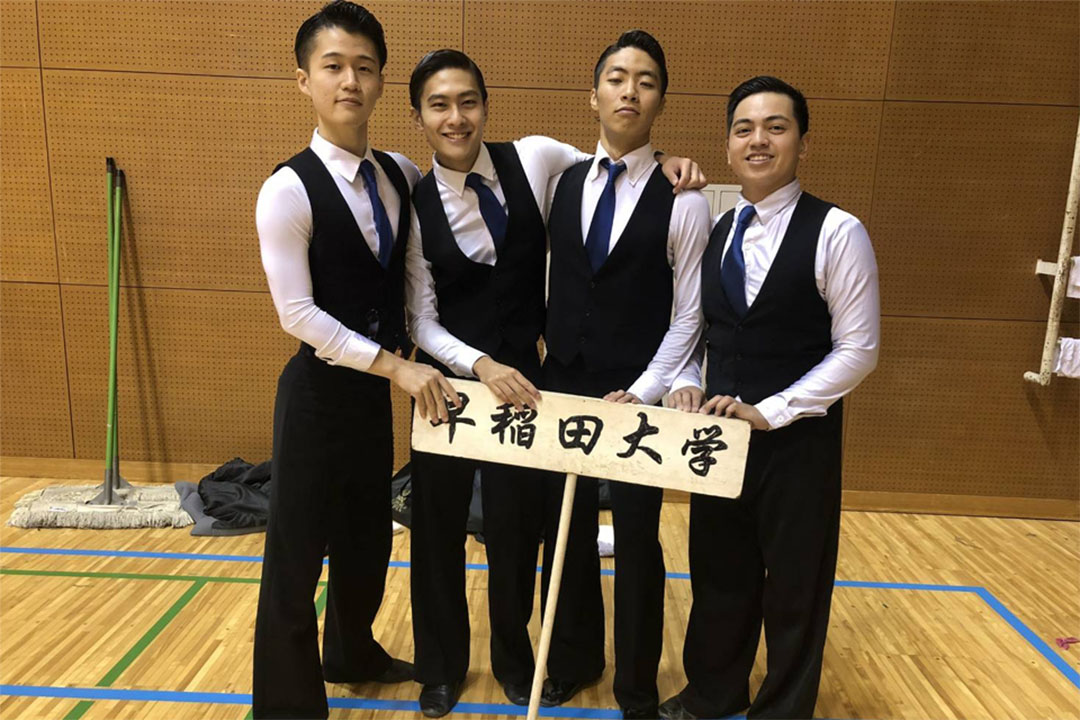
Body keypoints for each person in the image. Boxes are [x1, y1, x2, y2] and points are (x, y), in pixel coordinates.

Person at [404, 48, 705, 717]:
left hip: (532, 389)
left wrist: (676, 161)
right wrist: (476, 363)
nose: (457, 118)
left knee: (520, 532)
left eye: (469, 101)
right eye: (439, 105)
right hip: (450, 387)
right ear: (419, 116)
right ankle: (441, 670)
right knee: (437, 531)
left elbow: (622, 161)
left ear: (486, 103)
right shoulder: (413, 199)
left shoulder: (538, 160)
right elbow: (417, 316)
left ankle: (521, 662)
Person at [251, 3, 459, 718]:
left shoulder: (400, 173)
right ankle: (287, 704)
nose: (350, 81)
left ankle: (350, 650)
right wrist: (398, 367)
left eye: (364, 67)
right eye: (333, 66)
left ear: (379, 80)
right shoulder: (285, 190)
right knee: (295, 558)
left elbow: (478, 173)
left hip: (370, 400)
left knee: (367, 542)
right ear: (303, 79)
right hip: (315, 398)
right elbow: (298, 316)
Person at [660, 76, 880, 720]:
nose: (758, 140)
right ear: (728, 146)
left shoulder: (840, 231)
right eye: (744, 129)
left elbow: (858, 350)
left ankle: (782, 708)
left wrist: (772, 410)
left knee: (795, 586)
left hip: (799, 444)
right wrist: (685, 381)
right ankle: (713, 691)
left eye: (776, 127)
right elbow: (702, 331)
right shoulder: (721, 227)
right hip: (718, 440)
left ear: (802, 143)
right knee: (718, 574)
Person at [541, 30, 711, 720]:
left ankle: (637, 684)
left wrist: (641, 391)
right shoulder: (560, 179)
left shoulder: (687, 198)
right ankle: (574, 658)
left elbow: (690, 316)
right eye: (616, 77)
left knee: (639, 540)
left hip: (642, 389)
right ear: (594, 95)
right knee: (566, 531)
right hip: (567, 380)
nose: (629, 90)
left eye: (644, 80)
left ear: (660, 100)